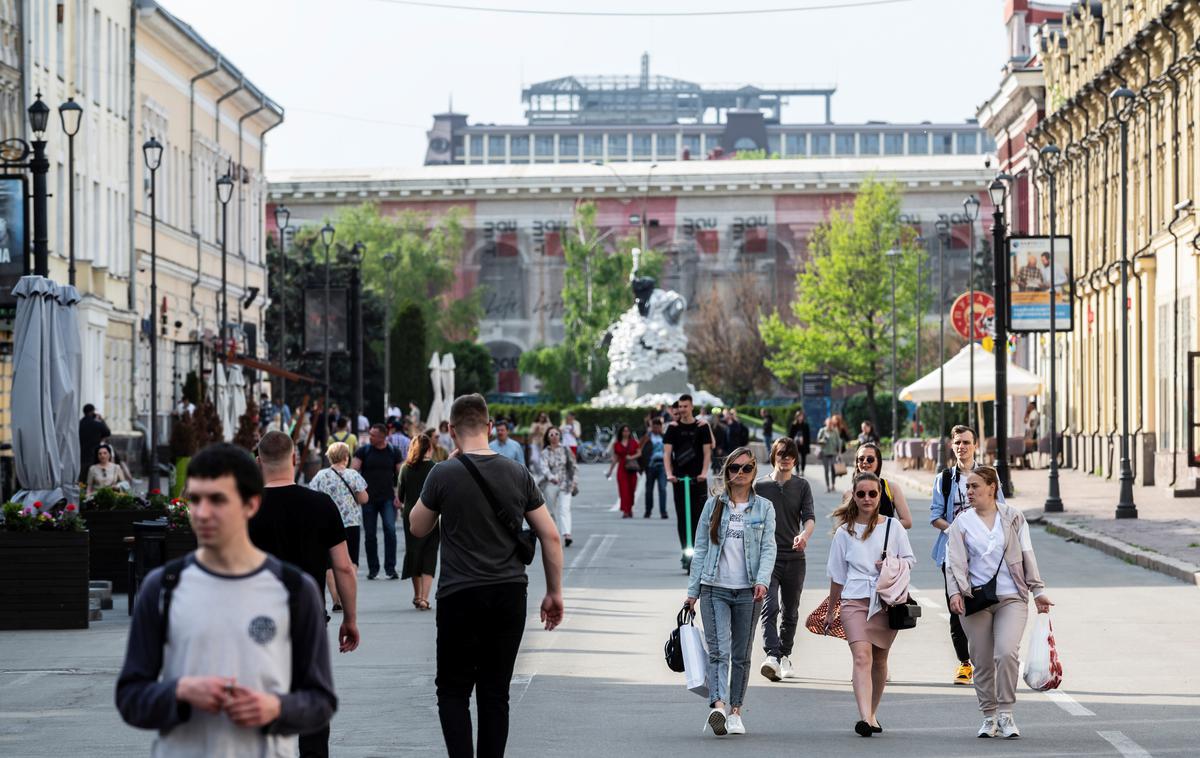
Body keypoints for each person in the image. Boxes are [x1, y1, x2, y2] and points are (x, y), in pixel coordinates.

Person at [115, 443, 337, 757]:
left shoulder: (294, 590)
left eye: (218, 500)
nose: (203, 513)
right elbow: (130, 697)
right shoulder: (163, 588)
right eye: (195, 499)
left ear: (251, 505)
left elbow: (319, 701)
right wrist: (180, 692)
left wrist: (275, 708)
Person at [408, 393, 564, 758]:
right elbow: (551, 535)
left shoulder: (442, 474)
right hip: (509, 592)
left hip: (459, 594)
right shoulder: (517, 472)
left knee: (453, 690)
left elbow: (418, 527)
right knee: (495, 692)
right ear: (490, 428)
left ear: (450, 430)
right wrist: (554, 592)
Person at [947, 466, 1053, 739]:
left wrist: (1038, 591)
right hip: (975, 600)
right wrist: (955, 593)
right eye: (967, 487)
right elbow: (953, 563)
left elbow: (1028, 553)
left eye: (975, 486)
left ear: (992, 487)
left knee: (1006, 652)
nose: (969, 491)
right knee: (981, 660)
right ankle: (988, 716)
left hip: (1011, 597)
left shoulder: (1013, 517)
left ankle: (1006, 714)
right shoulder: (961, 522)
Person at [684, 447, 776, 737]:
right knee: (718, 651)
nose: (739, 473)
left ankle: (736, 712)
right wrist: (693, 591)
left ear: (753, 472)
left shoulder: (764, 508)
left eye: (746, 468)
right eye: (734, 468)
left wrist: (762, 579)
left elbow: (768, 548)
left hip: (749, 591)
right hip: (715, 589)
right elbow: (700, 549)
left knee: (741, 655)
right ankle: (719, 708)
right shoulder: (714, 506)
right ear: (727, 471)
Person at [252, 434, 361, 676]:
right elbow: (343, 567)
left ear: (259, 461)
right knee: (309, 692)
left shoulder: (245, 508)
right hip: (308, 614)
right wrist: (350, 619)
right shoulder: (321, 504)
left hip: (257, 618)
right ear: (294, 458)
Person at [825, 471, 915, 738]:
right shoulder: (844, 532)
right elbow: (837, 575)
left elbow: (909, 560)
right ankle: (864, 716)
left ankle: (872, 713)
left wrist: (890, 565)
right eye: (861, 493)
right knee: (862, 656)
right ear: (854, 495)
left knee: (880, 659)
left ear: (880, 496)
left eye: (872, 494)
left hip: (886, 601)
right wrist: (832, 609)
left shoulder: (893, 527)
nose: (867, 498)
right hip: (854, 599)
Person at [930, 424, 1005, 686]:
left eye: (967, 442)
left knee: (988, 604)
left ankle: (989, 658)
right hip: (953, 554)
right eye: (958, 442)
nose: (962, 447)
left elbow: (1002, 510)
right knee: (957, 608)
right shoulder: (945, 479)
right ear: (952, 446)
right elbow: (935, 516)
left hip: (985, 556)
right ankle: (965, 664)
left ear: (975, 446)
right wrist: (958, 531)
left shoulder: (988, 475)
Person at [754, 437, 814, 683]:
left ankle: (785, 654)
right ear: (774, 456)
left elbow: (809, 517)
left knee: (790, 610)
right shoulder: (760, 487)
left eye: (790, 455)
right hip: (768, 558)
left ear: (795, 459)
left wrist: (804, 535)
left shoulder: (802, 486)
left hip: (795, 557)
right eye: (781, 454)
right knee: (770, 607)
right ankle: (772, 656)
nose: (786, 458)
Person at [308, 441, 369, 613]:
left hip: (326, 523)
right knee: (351, 561)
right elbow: (364, 499)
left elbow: (312, 495)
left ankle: (335, 599)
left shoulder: (320, 476)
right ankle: (346, 596)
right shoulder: (353, 475)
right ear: (346, 457)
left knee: (329, 564)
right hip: (350, 523)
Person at [664, 394, 715, 571]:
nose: (683, 409)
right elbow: (667, 454)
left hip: (697, 479)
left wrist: (703, 473)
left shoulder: (702, 427)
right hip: (679, 479)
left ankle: (698, 554)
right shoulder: (672, 428)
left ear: (691, 406)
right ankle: (685, 553)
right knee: (682, 518)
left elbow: (708, 452)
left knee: (699, 518)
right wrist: (669, 474)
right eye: (680, 406)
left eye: (686, 406)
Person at [352, 424, 404, 580]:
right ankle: (373, 569)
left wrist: (399, 495)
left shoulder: (393, 452)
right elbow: (353, 471)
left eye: (373, 435)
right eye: (370, 434)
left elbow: (401, 475)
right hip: (368, 499)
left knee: (390, 531)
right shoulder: (364, 451)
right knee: (370, 535)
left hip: (388, 498)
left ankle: (390, 568)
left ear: (383, 436)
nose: (370, 437)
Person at [399, 433, 440, 611]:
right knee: (429, 554)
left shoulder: (405, 468)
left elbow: (401, 495)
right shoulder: (435, 468)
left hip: (410, 515)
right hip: (431, 514)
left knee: (414, 552)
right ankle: (424, 597)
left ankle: (416, 595)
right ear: (429, 448)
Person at [854, 442, 913, 529]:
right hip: (859, 540)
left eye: (870, 459)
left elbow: (907, 522)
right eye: (861, 459)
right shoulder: (850, 490)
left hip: (886, 541)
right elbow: (846, 523)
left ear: (878, 462)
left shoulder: (891, 487)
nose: (865, 462)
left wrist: (879, 528)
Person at [537, 427, 577, 547]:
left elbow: (573, 466)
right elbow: (543, 467)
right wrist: (551, 477)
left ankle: (567, 534)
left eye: (556, 434)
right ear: (548, 437)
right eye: (551, 434)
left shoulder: (566, 450)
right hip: (550, 484)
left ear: (560, 436)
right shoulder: (544, 453)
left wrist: (575, 481)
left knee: (564, 508)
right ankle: (553, 534)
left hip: (566, 483)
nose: (554, 436)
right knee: (551, 510)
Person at [606, 424, 640, 519]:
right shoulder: (616, 444)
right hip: (622, 468)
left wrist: (631, 457)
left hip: (632, 469)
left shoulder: (634, 442)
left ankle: (630, 508)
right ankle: (625, 510)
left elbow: (639, 453)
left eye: (627, 431)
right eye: (624, 431)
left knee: (632, 490)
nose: (626, 433)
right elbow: (615, 459)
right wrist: (610, 471)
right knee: (624, 490)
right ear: (621, 432)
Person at [640, 416, 669, 519]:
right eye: (654, 427)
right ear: (651, 427)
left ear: (661, 427)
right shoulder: (647, 437)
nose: (656, 429)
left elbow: (670, 451)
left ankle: (663, 511)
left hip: (662, 466)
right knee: (649, 490)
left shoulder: (665, 437)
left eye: (658, 427)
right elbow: (640, 450)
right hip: (650, 466)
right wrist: (642, 466)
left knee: (662, 488)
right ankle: (648, 511)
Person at [79, 403, 111, 483]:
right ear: (92, 412)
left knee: (82, 480)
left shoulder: (79, 424)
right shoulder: (97, 424)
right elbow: (107, 432)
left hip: (81, 456)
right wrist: (102, 420)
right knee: (93, 479)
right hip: (93, 455)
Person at [817, 416, 845, 493]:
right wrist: (824, 439)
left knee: (833, 469)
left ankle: (833, 485)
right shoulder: (822, 430)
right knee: (826, 470)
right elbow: (818, 441)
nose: (830, 424)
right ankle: (827, 486)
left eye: (831, 423)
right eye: (828, 423)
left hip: (833, 453)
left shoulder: (835, 431)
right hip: (825, 453)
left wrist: (839, 453)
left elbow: (839, 442)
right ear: (825, 423)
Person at [789, 409, 812, 476]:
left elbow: (808, 436)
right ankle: (797, 470)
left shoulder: (805, 425)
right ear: (796, 417)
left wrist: (807, 444)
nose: (800, 417)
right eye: (799, 416)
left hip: (803, 444)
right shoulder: (794, 425)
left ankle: (802, 470)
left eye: (801, 416)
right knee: (796, 457)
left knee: (803, 457)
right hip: (795, 444)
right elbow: (790, 435)